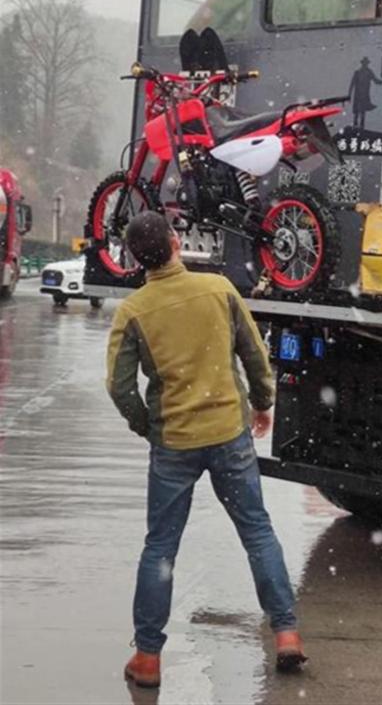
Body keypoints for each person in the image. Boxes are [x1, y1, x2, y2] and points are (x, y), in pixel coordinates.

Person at [106, 212, 305, 689]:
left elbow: (118, 386)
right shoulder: (219, 289)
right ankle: (286, 634)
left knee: (160, 548)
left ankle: (148, 659)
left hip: (174, 442)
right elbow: (254, 353)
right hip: (228, 433)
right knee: (257, 533)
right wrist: (263, 403)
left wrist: (147, 424)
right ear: (177, 243)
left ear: (136, 260)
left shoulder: (134, 310)